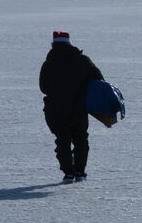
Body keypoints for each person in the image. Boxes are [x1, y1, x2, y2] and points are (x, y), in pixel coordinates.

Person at [39, 30, 103, 183]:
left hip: (56, 109)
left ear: (53, 44)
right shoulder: (82, 60)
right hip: (79, 108)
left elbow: (43, 87)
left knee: (62, 139)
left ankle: (68, 173)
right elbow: (99, 79)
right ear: (69, 43)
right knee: (81, 138)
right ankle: (80, 171)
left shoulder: (49, 63)